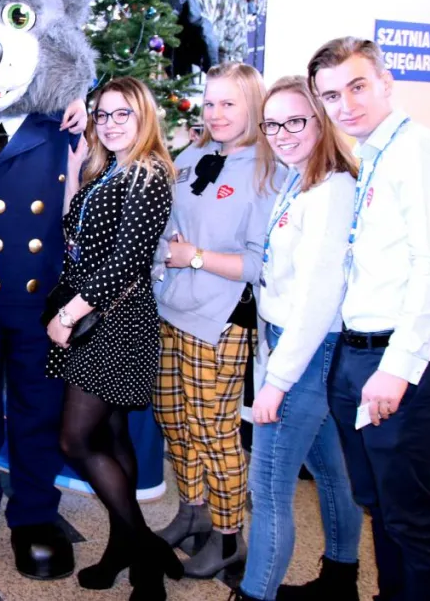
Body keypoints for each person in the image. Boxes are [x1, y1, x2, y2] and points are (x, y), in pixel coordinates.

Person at [309, 37, 430, 601]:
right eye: (331, 95)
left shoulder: (420, 152)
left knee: (411, 517)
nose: (345, 104)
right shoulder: (374, 155)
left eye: (357, 86)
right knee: (378, 504)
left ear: (385, 82)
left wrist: (397, 368)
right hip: (359, 354)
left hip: (399, 357)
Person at [45, 77, 182, 599]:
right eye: (102, 114)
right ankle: (128, 547)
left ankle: (144, 550)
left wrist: (67, 316)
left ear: (144, 116)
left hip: (116, 322)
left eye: (123, 113)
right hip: (95, 316)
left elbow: (127, 262)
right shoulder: (108, 169)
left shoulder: (149, 173)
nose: (110, 123)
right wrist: (77, 167)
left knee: (76, 440)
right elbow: (73, 234)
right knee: (112, 435)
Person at [231, 76, 361, 601]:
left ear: (320, 121)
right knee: (329, 471)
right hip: (293, 344)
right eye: (272, 124)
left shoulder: (331, 190)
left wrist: (277, 381)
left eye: (295, 121)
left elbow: (317, 300)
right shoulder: (299, 177)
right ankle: (340, 582)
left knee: (268, 487)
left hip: (306, 351)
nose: (282, 133)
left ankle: (255, 595)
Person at [152, 62, 280, 577]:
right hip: (171, 310)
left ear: (254, 106)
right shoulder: (191, 157)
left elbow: (259, 264)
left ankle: (229, 537)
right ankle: (194, 511)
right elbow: (165, 229)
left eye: (229, 103)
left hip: (220, 320)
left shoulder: (267, 171)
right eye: (209, 102)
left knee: (214, 431)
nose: (216, 113)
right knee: (174, 420)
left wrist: (197, 257)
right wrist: (170, 251)